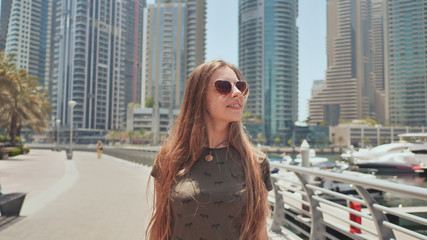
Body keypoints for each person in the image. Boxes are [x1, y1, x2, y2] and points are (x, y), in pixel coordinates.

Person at [146, 60, 272, 240]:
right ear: (199, 96)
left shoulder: (256, 163)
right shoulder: (170, 158)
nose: (237, 93)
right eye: (224, 87)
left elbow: (260, 234)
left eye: (240, 86)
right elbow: (160, 229)